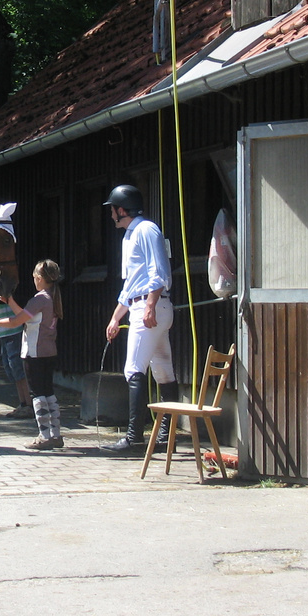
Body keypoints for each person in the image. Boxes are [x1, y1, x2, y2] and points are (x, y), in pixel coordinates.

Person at [101, 184, 179, 453]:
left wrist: (150, 306)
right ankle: (166, 435)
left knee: (133, 369)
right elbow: (131, 285)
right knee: (163, 370)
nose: (111, 214)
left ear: (121, 209)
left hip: (149, 307)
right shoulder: (129, 236)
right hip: (145, 305)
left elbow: (159, 271)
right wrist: (115, 318)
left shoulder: (146, 230)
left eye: (112, 209)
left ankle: (135, 436)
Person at [0, 259, 63, 450]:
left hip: (34, 352)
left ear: (40, 279)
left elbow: (16, 321)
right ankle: (56, 435)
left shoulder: (39, 299)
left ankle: (44, 436)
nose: (34, 280)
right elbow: (27, 316)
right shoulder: (51, 297)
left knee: (38, 395)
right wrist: (9, 301)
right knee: (49, 393)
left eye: (35, 277)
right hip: (49, 352)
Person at [0, 292, 33, 418]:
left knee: (18, 368)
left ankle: (29, 405)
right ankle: (23, 403)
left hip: (12, 332)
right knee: (12, 369)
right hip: (2, 333)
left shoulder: (2, 285)